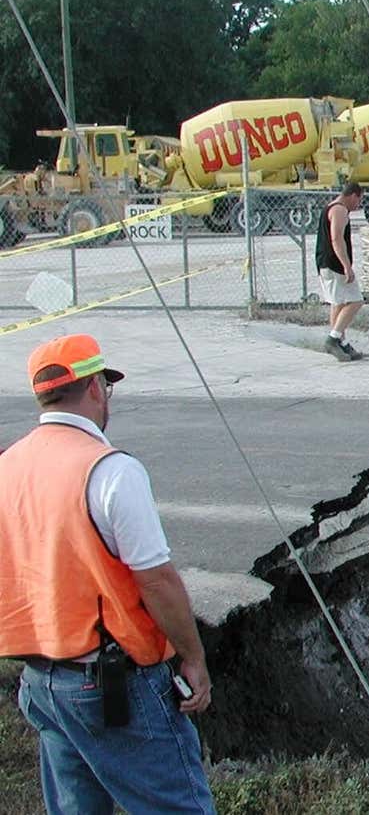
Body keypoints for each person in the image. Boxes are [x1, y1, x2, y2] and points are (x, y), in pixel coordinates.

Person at [0, 334, 216, 813]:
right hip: (110, 684)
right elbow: (156, 581)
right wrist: (193, 657)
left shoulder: (8, 466)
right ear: (96, 387)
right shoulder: (110, 470)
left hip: (40, 682)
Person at [315, 181, 366, 362]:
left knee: (337, 303)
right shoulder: (340, 210)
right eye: (359, 201)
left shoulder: (330, 207)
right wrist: (347, 266)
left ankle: (342, 344)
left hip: (325, 263)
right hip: (335, 264)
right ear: (353, 195)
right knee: (355, 301)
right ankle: (333, 339)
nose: (357, 205)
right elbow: (337, 238)